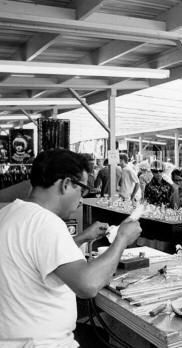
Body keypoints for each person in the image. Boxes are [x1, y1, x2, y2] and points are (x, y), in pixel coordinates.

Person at [0, 149, 141, 347]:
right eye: (81, 190)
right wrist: (122, 239)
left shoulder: (9, 213)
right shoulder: (45, 222)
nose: (81, 199)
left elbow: (37, 257)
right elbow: (88, 285)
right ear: (66, 184)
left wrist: (82, 237)